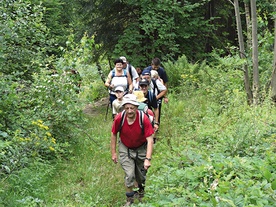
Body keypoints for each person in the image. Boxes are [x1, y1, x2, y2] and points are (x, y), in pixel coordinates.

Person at [111, 94, 155, 206]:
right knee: (129, 174)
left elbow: (150, 140)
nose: (129, 111)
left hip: (141, 147)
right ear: (123, 108)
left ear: (136, 107)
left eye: (132, 108)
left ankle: (141, 192)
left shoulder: (143, 118)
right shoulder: (119, 118)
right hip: (125, 147)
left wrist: (147, 159)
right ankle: (129, 200)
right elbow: (114, 134)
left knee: (141, 176)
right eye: (127, 108)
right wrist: (114, 153)